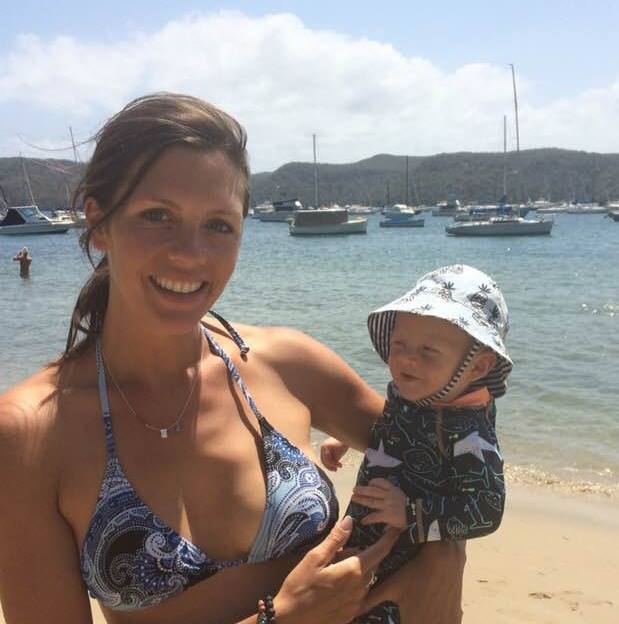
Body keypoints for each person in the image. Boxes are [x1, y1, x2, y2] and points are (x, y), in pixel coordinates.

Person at [0, 93, 465, 624]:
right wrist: (282, 618)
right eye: (158, 216)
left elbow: (454, 456)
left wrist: (444, 557)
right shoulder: (31, 433)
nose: (191, 254)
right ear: (100, 222)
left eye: (219, 225)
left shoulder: (287, 365)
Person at [321, 264, 512, 623]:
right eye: (400, 344)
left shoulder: (469, 432)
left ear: (477, 366)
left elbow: (486, 509)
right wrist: (352, 435)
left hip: (402, 570)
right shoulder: (419, 390)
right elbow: (399, 420)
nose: (407, 358)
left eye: (428, 351)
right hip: (364, 547)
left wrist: (411, 513)